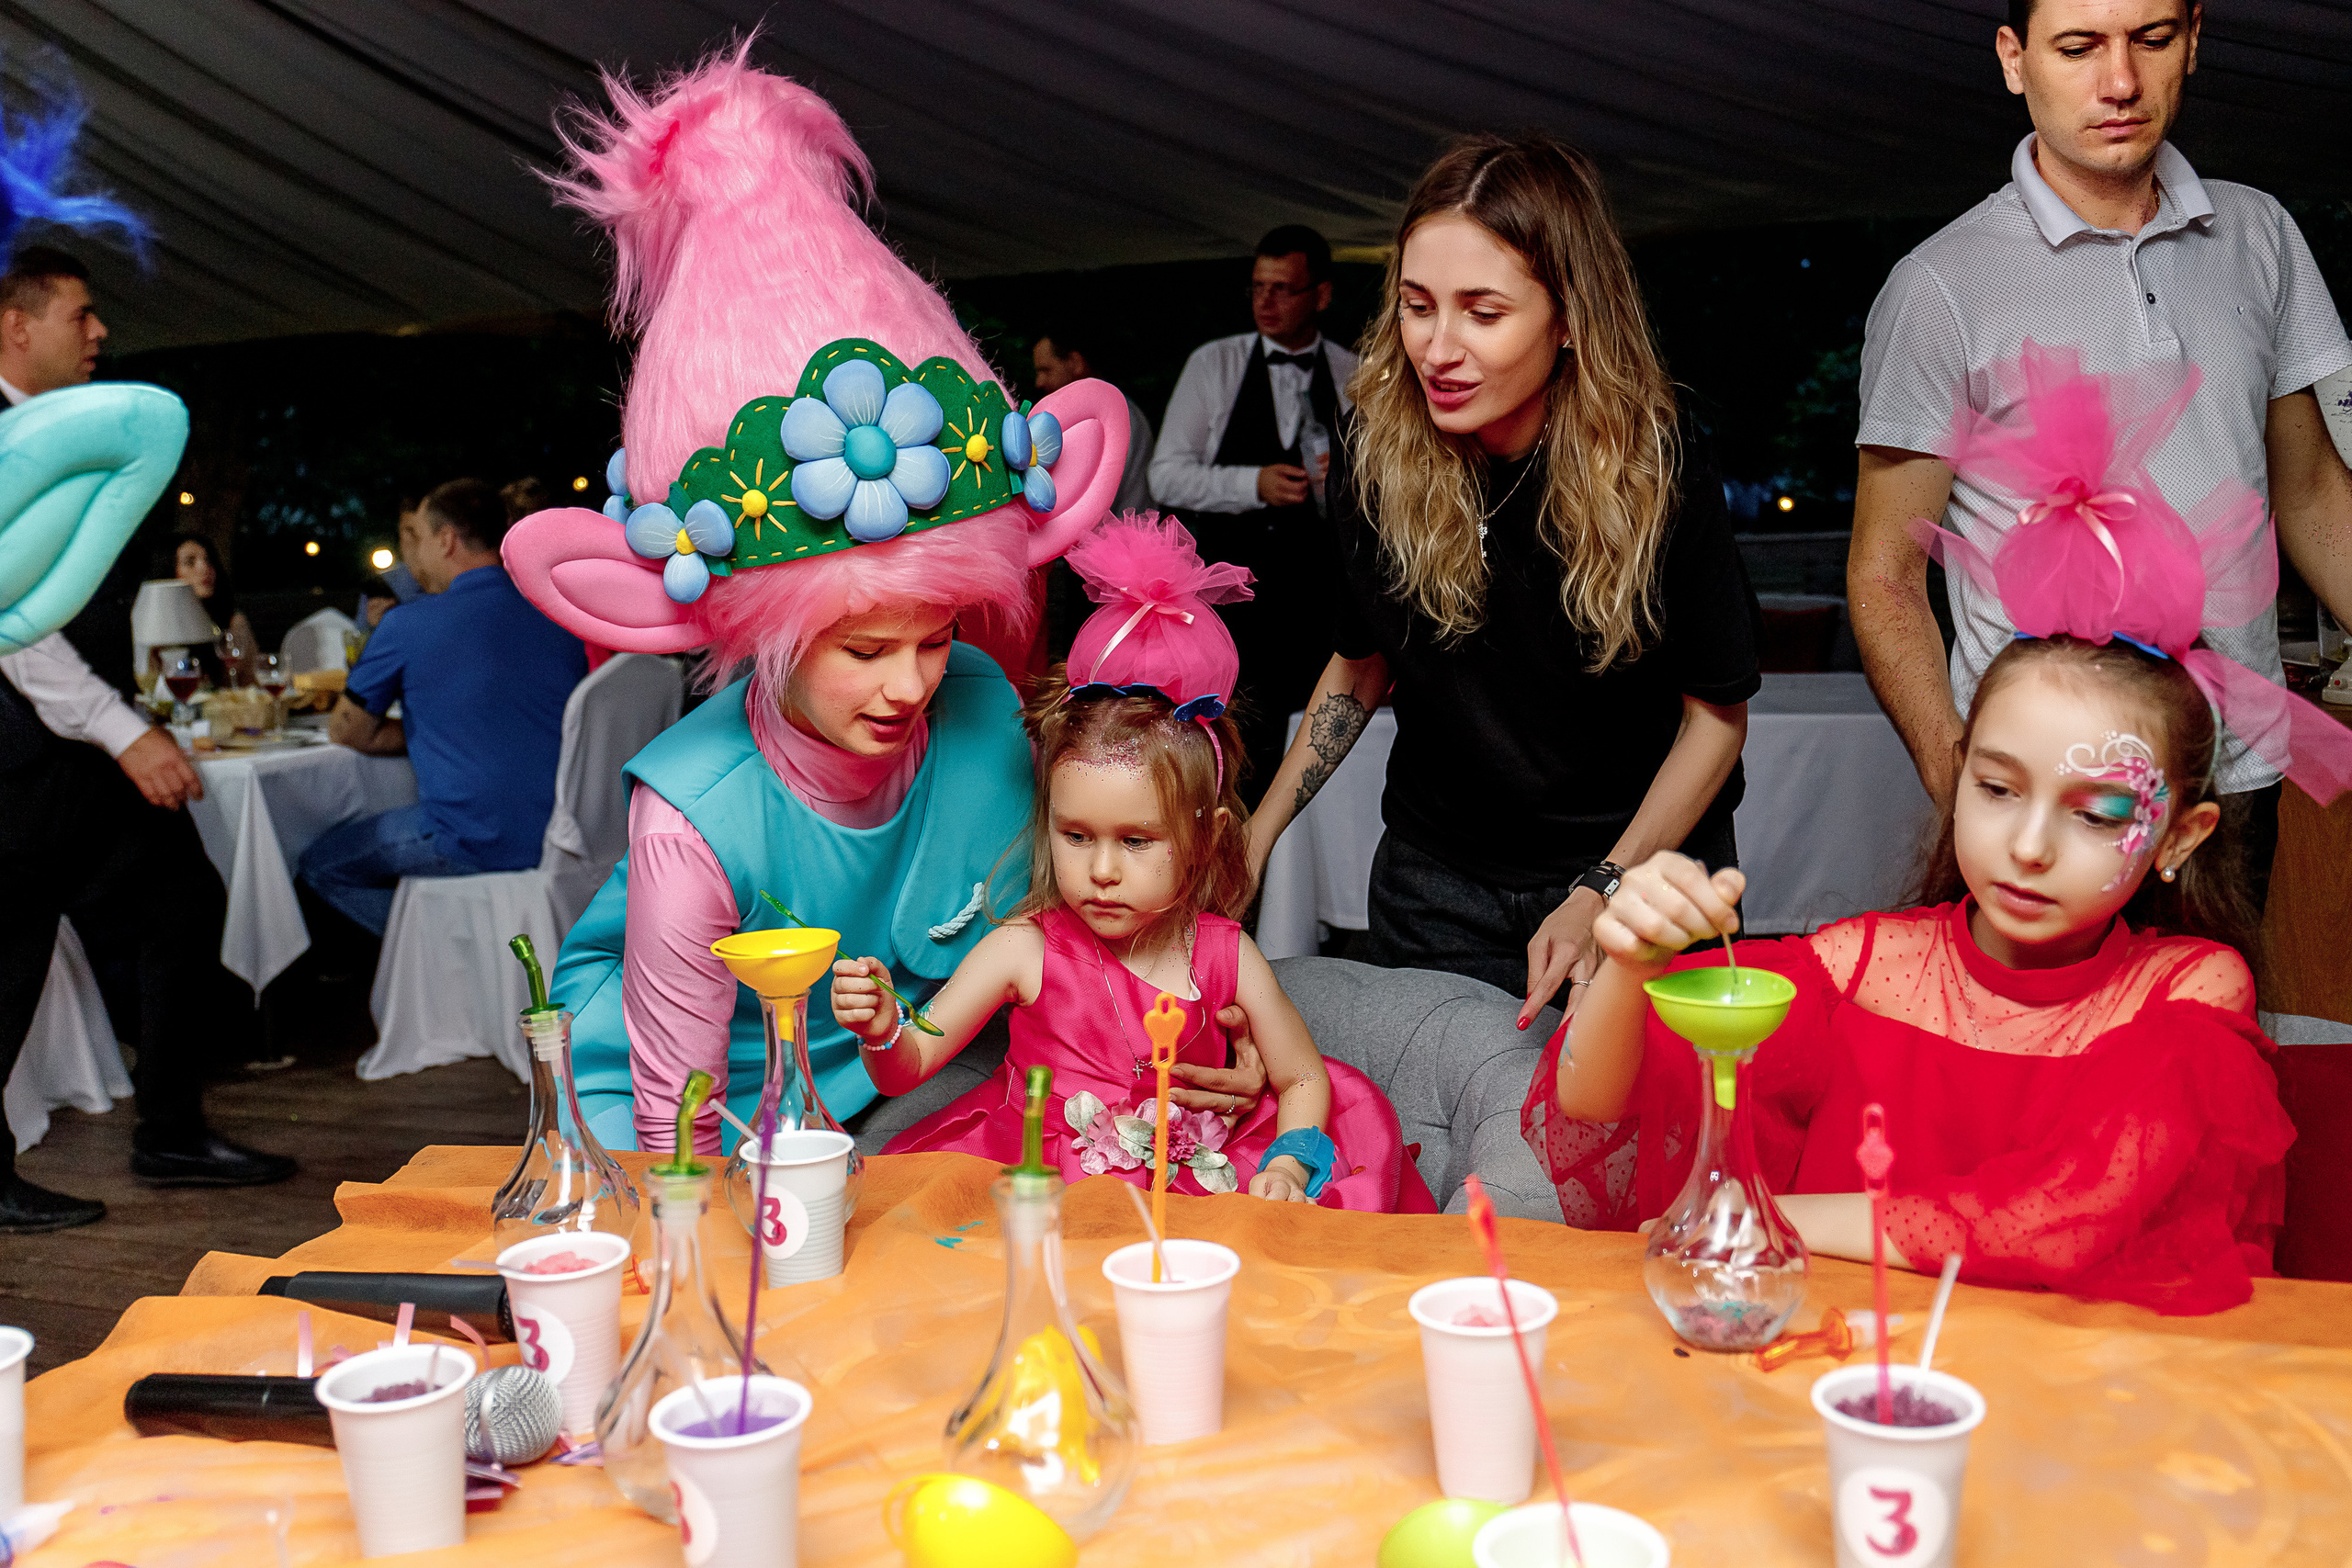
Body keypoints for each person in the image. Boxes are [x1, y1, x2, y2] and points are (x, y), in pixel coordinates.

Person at [500, 55, 1249, 1156]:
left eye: (936, 634)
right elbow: (675, 1125)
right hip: (690, 1122)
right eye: (862, 645)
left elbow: (1090, 915)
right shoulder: (694, 820)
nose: (913, 683)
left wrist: (1191, 1038)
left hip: (906, 1084)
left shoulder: (986, 711)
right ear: (768, 631)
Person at [1528, 347, 2346, 1313]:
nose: (2029, 845)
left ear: (2178, 835)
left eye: (2096, 813)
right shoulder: (1860, 968)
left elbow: (2060, 1216)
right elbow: (1592, 1106)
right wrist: (1629, 961)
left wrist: (1761, 1218)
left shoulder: (2190, 992)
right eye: (1996, 790)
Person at [1245, 135, 1760, 1028]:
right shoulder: (1376, 445)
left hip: (1643, 876)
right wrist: (1256, 835)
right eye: (1416, 307)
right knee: (1433, 1152)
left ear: (1568, 316)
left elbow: (1715, 718)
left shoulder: (1654, 463)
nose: (1437, 349)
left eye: (1482, 313)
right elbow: (1362, 661)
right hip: (1435, 885)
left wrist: (1604, 886)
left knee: (1630, 1152)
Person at [1847, 0, 2352, 911]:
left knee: (2215, 1037)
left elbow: (2312, 493)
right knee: (2043, 1052)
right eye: (2077, 47)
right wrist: (1958, 775)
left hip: (2233, 773)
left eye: (2150, 40)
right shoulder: (1940, 284)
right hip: (2052, 793)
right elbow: (1885, 570)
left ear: (2193, 38)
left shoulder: (2260, 234)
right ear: (2014, 57)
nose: (2119, 83)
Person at [844, 515, 1432, 1211]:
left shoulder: (1229, 956)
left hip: (1194, 1189)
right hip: (1039, 1186)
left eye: (1135, 841)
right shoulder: (1020, 950)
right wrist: (883, 1029)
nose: (1101, 870)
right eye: (1076, 835)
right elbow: (906, 1067)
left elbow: (1303, 1078)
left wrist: (1289, 1165)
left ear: (1207, 837)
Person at [0, 247, 295, 1230]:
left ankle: (170, 1128)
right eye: (79, 316)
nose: (98, 334)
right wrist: (129, 735)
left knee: (179, 891)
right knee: (10, 957)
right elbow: (21, 631)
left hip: (63, 750)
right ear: (17, 323)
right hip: (21, 753)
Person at [296, 478, 587, 934]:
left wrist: (409, 734)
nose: (416, 556)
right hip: (571, 832)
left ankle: (436, 949)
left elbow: (347, 732)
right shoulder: (559, 612)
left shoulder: (407, 624)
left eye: (422, 538)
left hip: (471, 836)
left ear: (447, 539)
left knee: (319, 865)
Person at [1150, 225, 1360, 800]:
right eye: (1257, 288)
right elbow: (1165, 474)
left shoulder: (1356, 374)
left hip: (1321, 606)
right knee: (1227, 748)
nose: (1265, 303)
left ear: (1321, 295)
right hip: (1231, 605)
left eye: (1283, 289)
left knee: (1312, 754)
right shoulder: (1212, 365)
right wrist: (1253, 484)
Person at [1032, 323, 1153, 515]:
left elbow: (1093, 499)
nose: (1039, 382)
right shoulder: (1109, 412)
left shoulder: (1117, 415)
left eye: (1046, 370)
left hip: (1118, 538)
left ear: (1075, 363)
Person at [141, 532, 256, 689]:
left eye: (208, 560)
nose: (204, 568)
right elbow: (151, 687)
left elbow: (248, 684)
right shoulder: (160, 628)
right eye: (190, 562)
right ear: (171, 571)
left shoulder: (232, 623)